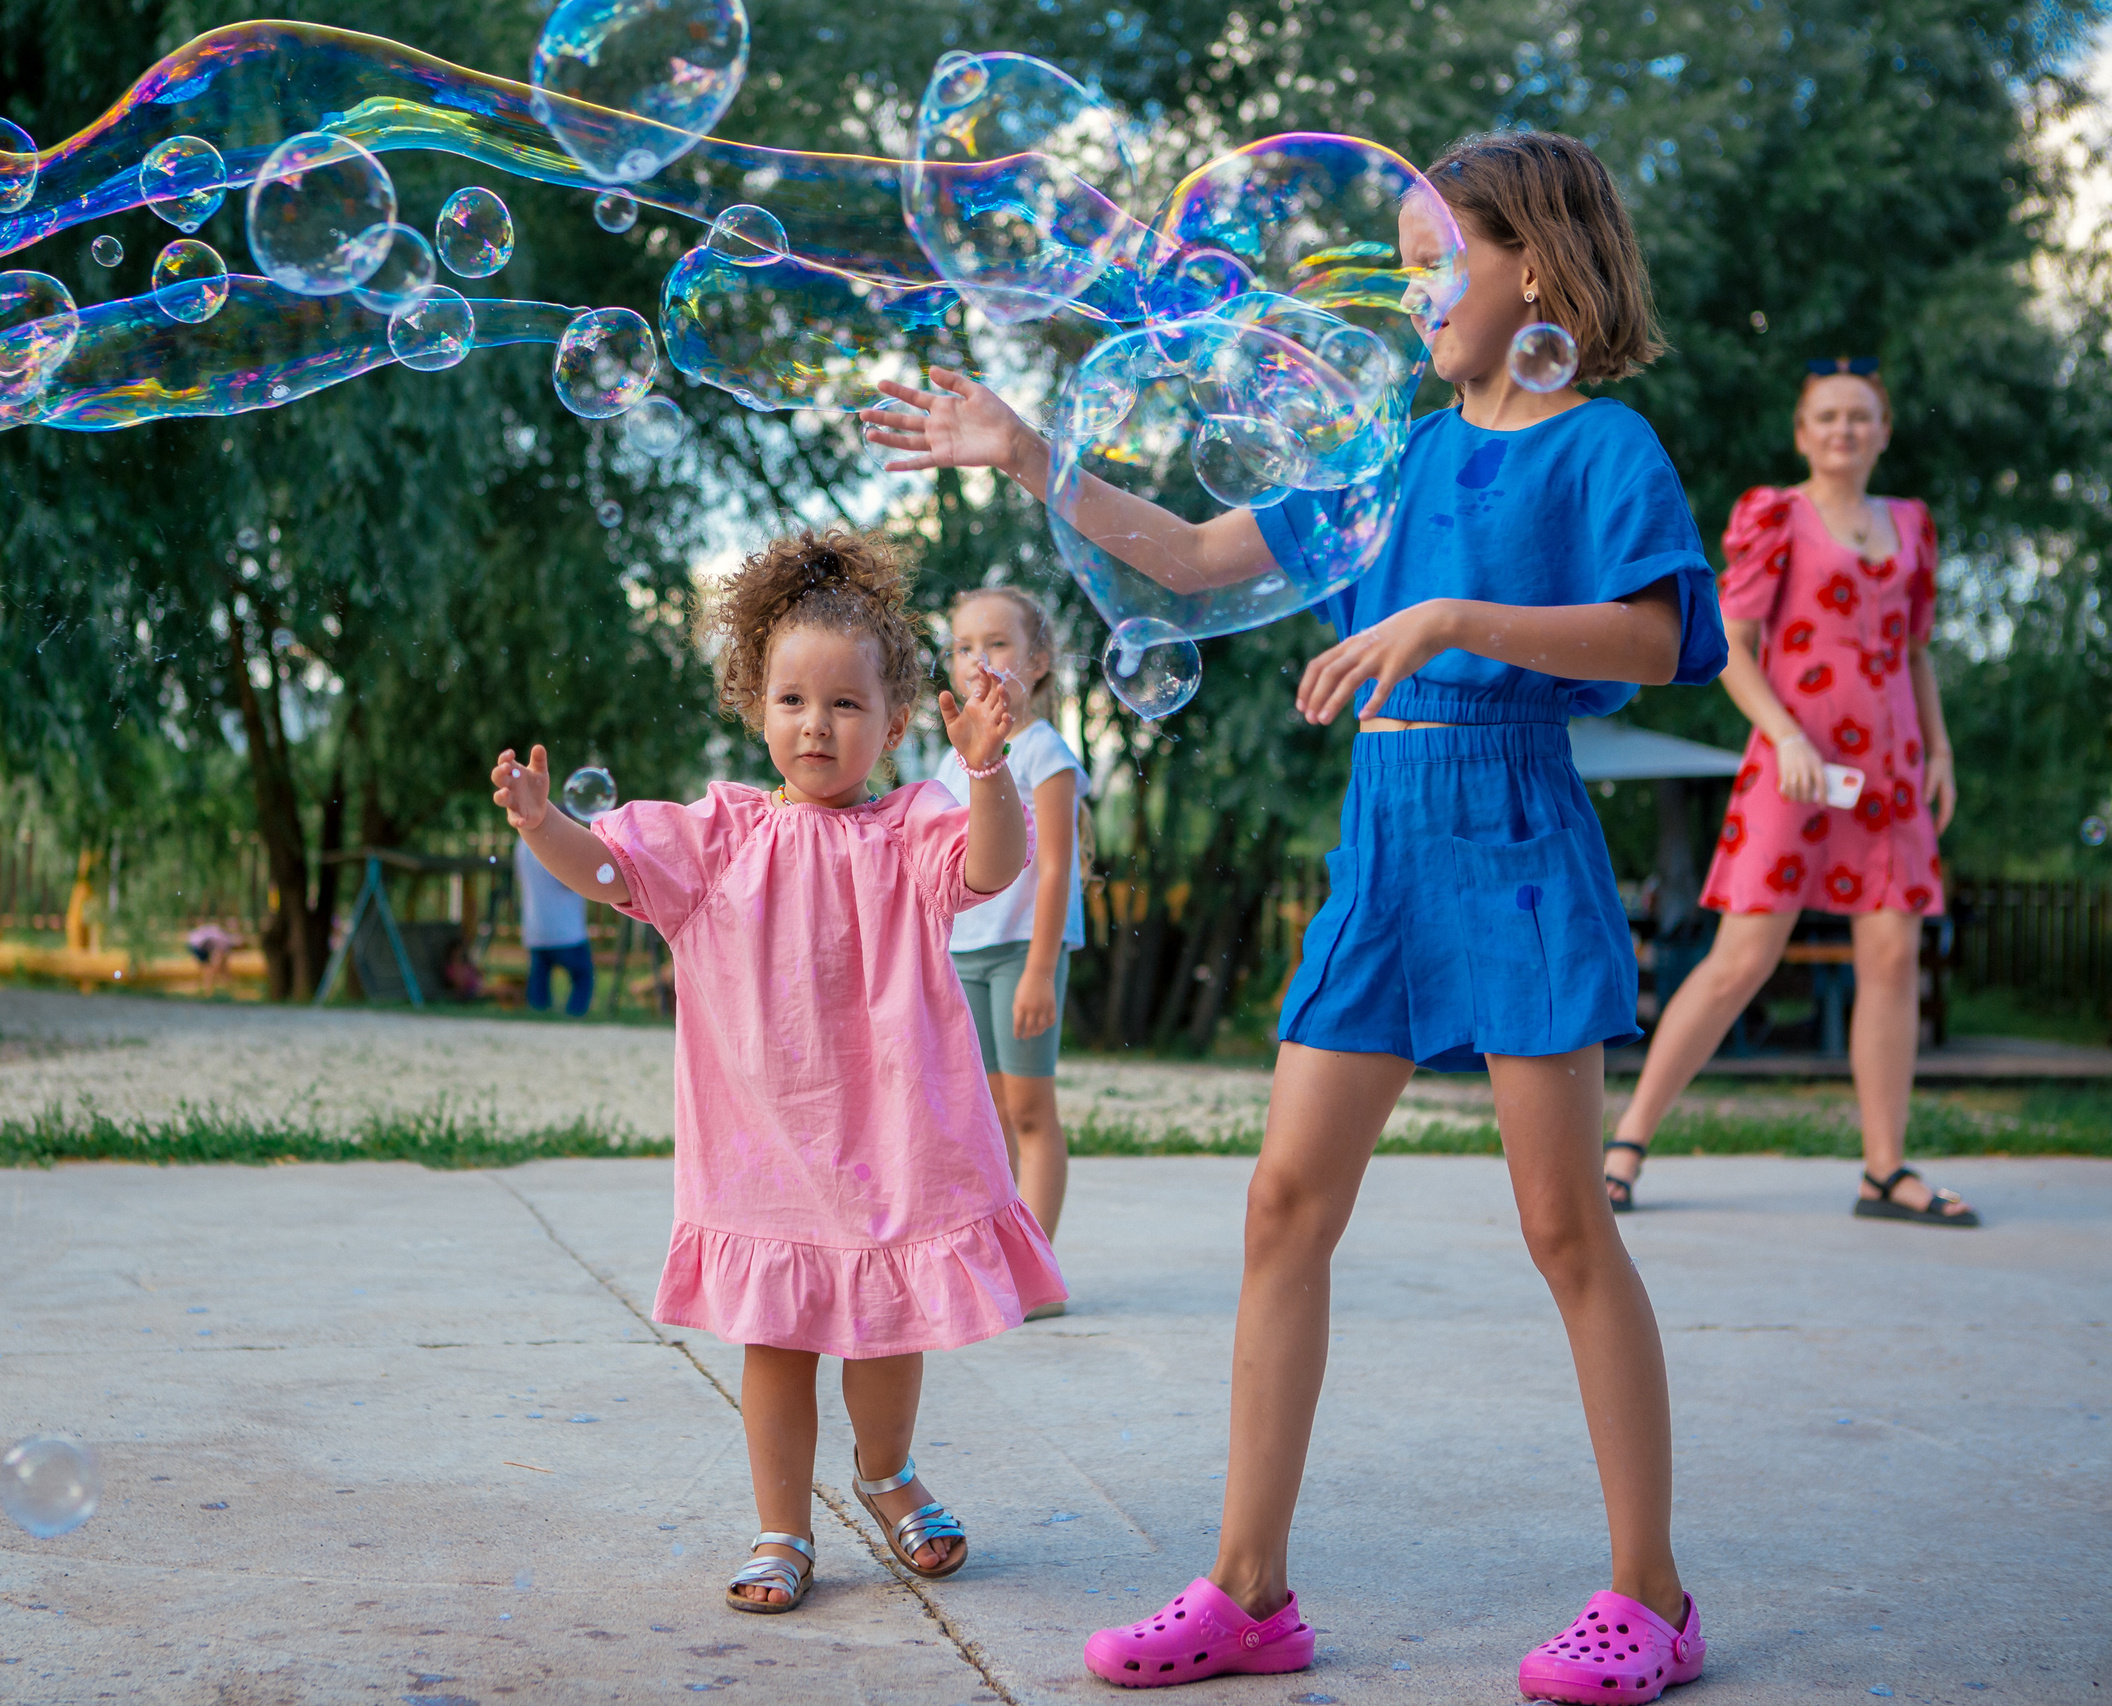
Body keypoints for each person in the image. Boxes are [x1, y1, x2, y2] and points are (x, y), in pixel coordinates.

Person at [865, 131, 1724, 1702]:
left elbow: (1664, 637)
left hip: (1514, 823)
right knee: (1282, 1204)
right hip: (1385, 842)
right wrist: (1029, 455)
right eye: (1397, 258)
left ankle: (1652, 1596)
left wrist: (1455, 616)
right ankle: (1249, 1592)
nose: (1412, 290)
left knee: (1558, 1219)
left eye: (1434, 255)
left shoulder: (1604, 447)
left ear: (1532, 265)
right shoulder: (1385, 452)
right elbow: (1192, 556)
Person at [488, 528, 1064, 1616]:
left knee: (891, 1332)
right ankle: (782, 1524)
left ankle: (886, 1472)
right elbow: (607, 868)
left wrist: (986, 768)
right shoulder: (715, 838)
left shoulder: (912, 828)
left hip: (894, 1140)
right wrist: (542, 823)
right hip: (766, 1146)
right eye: (793, 699)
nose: (817, 723)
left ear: (895, 723)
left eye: (847, 705)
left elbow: (994, 866)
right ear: (754, 705)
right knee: (780, 1341)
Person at [1603, 361, 1973, 1225]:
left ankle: (1884, 1172)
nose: (1844, 429)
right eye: (1828, 417)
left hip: (1889, 772)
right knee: (1740, 961)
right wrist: (1787, 737)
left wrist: (1941, 752)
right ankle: (1627, 1146)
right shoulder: (1777, 516)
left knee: (1892, 958)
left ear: (1884, 431)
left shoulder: (1913, 527)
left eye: (1861, 416)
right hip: (1792, 762)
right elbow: (1731, 642)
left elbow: (1915, 652)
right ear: (1803, 433)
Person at [934, 586, 1089, 1294]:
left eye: (996, 644)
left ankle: (1038, 1275)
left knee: (1029, 1110)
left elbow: (1058, 865)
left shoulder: (1043, 752)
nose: (978, 660)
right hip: (962, 954)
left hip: (1024, 951)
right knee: (988, 1115)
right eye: (964, 646)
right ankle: (996, 1264)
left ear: (1039, 660)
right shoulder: (954, 760)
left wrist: (1037, 970)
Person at [515, 829, 595, 1016]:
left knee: (538, 985)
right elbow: (570, 880)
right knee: (583, 976)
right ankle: (573, 1019)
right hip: (566, 930)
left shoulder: (522, 842)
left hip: (535, 926)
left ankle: (538, 1023)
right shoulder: (560, 840)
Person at [184, 922, 240, 998]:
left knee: (210, 968)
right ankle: (209, 992)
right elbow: (218, 960)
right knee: (211, 969)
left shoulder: (223, 938)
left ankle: (208, 991)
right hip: (198, 945)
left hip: (194, 942)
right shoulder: (225, 942)